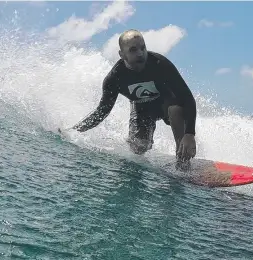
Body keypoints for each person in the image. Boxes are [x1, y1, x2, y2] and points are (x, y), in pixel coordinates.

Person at [61, 29, 197, 163]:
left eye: (143, 48)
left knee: (175, 109)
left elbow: (187, 98)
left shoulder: (160, 64)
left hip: (167, 105)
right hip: (142, 109)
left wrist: (190, 134)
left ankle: (182, 162)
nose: (140, 53)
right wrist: (74, 131)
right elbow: (102, 111)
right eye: (133, 50)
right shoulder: (115, 78)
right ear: (122, 54)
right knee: (139, 148)